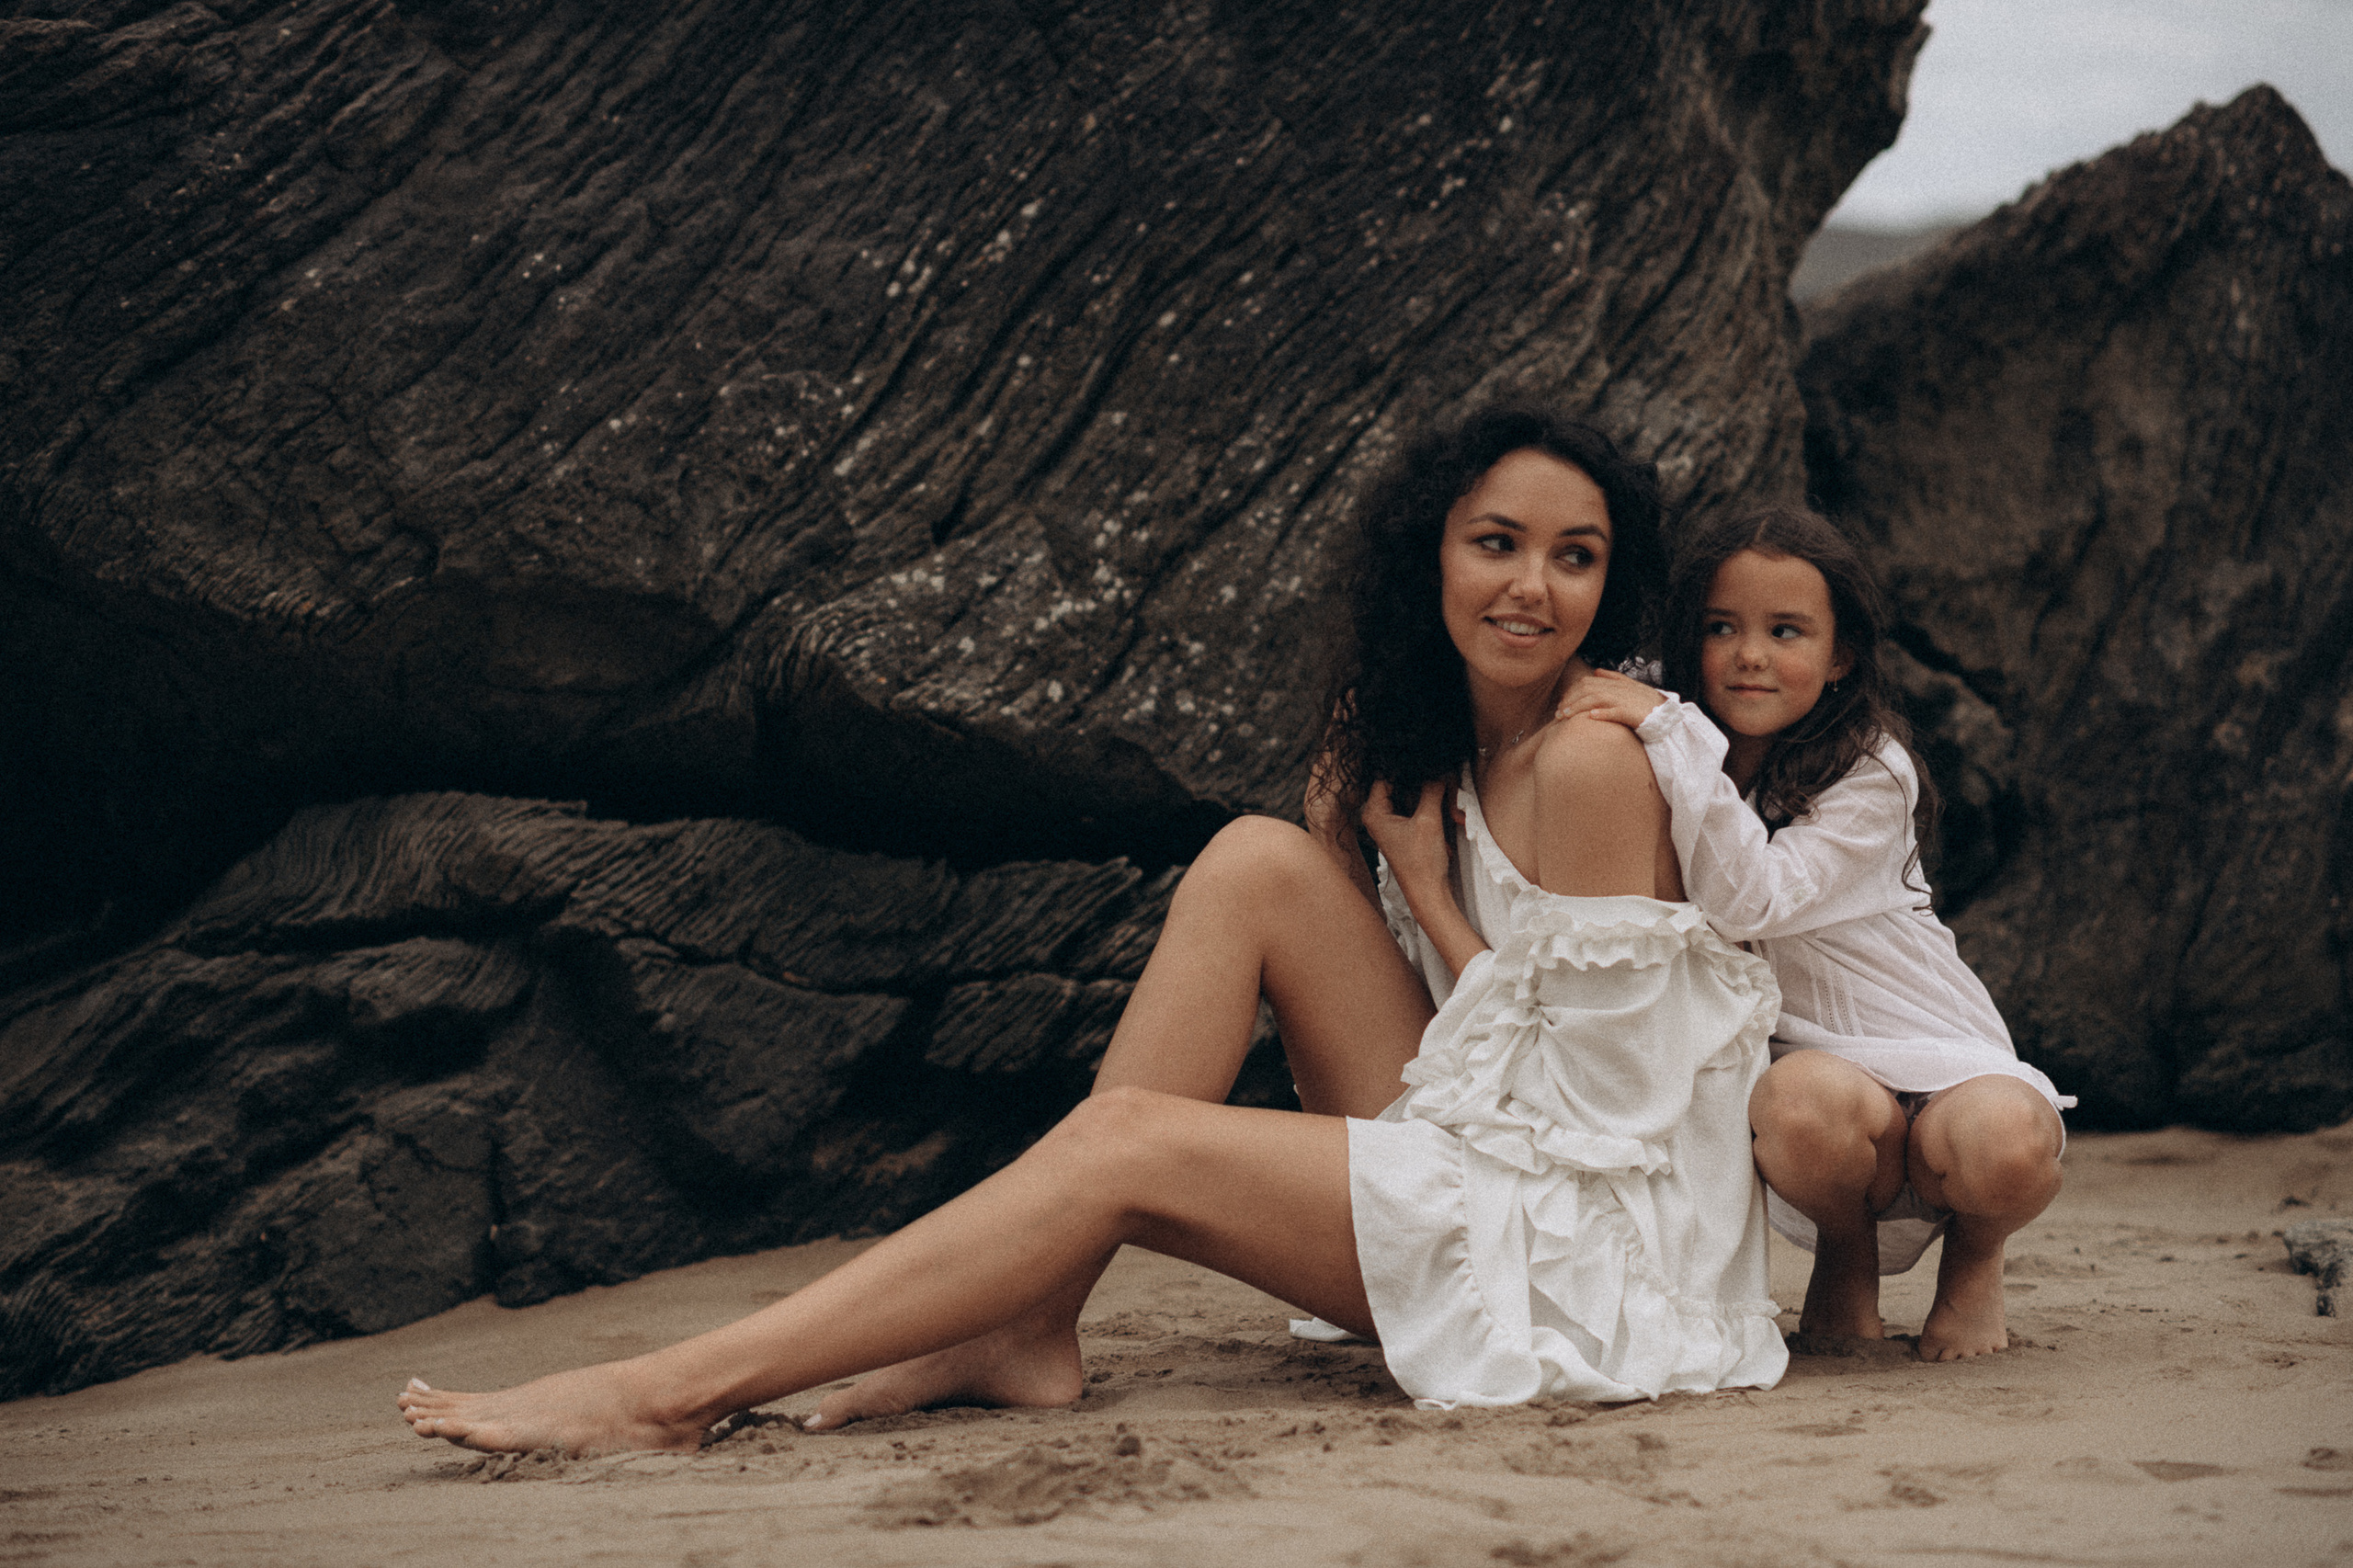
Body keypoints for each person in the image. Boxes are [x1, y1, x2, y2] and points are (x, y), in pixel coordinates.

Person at [395, 408, 1787, 1457]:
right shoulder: (1442, 740)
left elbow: (1605, 1114)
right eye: (1496, 543)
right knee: (1253, 860)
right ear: (1429, 557)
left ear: (1617, 587)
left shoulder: (1595, 760)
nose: (1530, 587)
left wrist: (1421, 892)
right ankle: (1026, 1317)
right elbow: (1362, 1033)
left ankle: (667, 1391)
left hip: (1589, 1254)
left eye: (1575, 558)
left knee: (1125, 1145)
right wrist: (1350, 849)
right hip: (1492, 1148)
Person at [1558, 505, 2073, 1362]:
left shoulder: (1871, 770)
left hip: (1936, 1046)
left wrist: (1668, 726)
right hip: (1815, 1067)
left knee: (2003, 1145)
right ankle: (1847, 1249)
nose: (1751, 654)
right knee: (1797, 1112)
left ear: (1839, 659)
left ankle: (1977, 1261)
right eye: (1722, 628)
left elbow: (1754, 898)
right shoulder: (1681, 727)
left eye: (1786, 631)